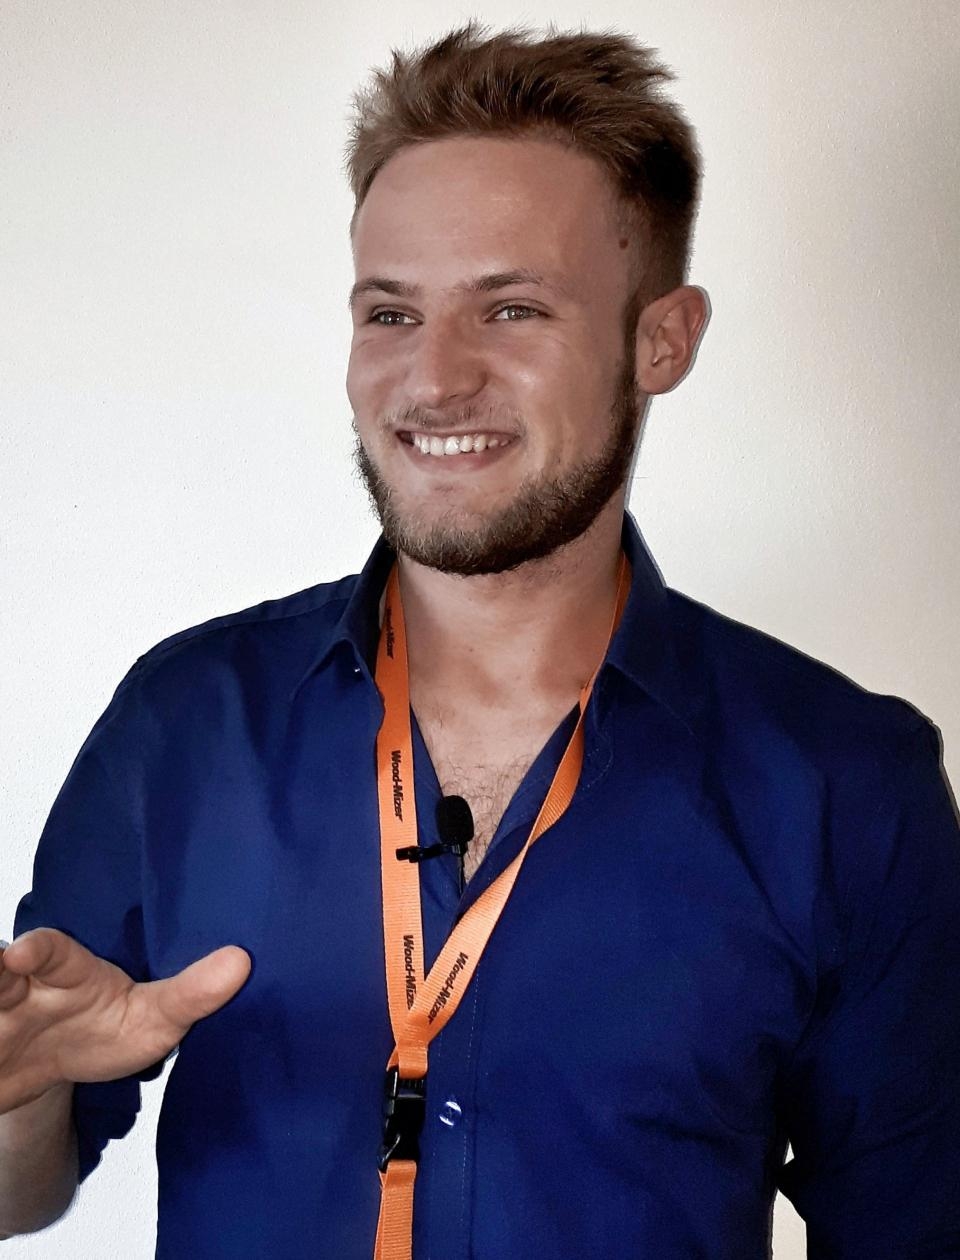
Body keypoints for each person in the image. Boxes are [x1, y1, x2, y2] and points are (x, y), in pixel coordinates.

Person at [2, 22, 958, 1259]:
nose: (435, 380)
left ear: (662, 339)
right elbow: (20, 1195)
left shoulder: (846, 784)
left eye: (511, 308)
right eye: (391, 312)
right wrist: (19, 1097)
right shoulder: (184, 720)